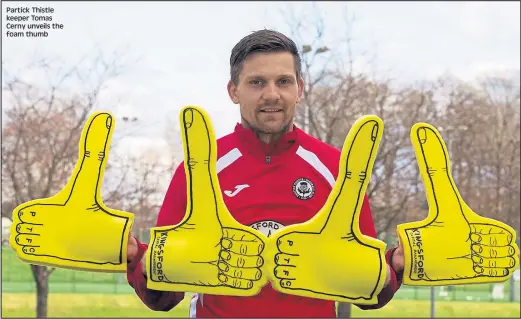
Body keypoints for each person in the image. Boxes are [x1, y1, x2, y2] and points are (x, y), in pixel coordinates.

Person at [125, 29, 405, 318]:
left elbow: (369, 290)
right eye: (256, 82)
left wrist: (393, 266)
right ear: (234, 91)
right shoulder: (198, 170)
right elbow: (164, 297)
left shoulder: (337, 169)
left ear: (299, 89)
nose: (271, 94)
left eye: (283, 81)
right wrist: (139, 261)